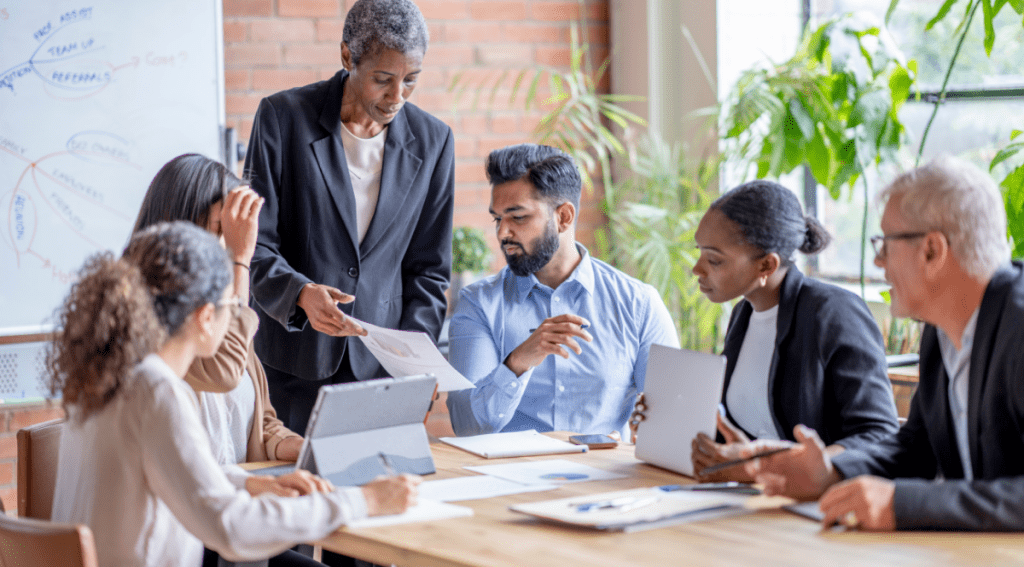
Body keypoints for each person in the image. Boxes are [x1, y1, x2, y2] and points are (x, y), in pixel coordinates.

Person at [49, 222, 420, 567]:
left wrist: (251, 483)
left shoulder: (110, 377)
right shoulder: (155, 390)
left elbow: (176, 473)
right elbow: (230, 528)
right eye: (232, 307)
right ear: (205, 317)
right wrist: (364, 500)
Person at [745, 156, 1024, 531]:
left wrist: (904, 505)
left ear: (931, 251)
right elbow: (917, 447)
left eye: (885, 244)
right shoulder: (942, 330)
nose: (878, 262)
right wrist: (831, 471)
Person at [244, 0, 453, 436]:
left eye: (410, 80)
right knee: (296, 493)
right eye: (383, 79)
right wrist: (299, 293)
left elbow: (429, 270)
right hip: (293, 366)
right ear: (346, 56)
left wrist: (413, 362)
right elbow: (253, 244)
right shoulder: (282, 119)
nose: (397, 97)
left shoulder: (434, 141)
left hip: (381, 373)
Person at [133, 154, 313, 567]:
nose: (230, 243)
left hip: (231, 523)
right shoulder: (149, 317)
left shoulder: (217, 309)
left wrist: (298, 447)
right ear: (180, 226)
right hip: (189, 534)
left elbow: (260, 419)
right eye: (221, 230)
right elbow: (223, 372)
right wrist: (239, 260)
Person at [446, 144, 679, 437]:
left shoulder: (638, 304)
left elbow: (673, 419)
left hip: (605, 478)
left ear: (564, 217)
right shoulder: (478, 304)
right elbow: (467, 426)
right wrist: (518, 362)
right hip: (513, 479)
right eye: (498, 219)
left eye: (518, 217)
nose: (502, 233)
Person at [677, 180, 899, 480]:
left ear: (766, 265)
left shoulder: (834, 312)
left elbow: (877, 434)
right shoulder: (744, 314)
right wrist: (667, 426)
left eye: (714, 259)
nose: (697, 269)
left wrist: (764, 466)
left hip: (822, 503)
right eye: (700, 252)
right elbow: (744, 433)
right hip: (756, 497)